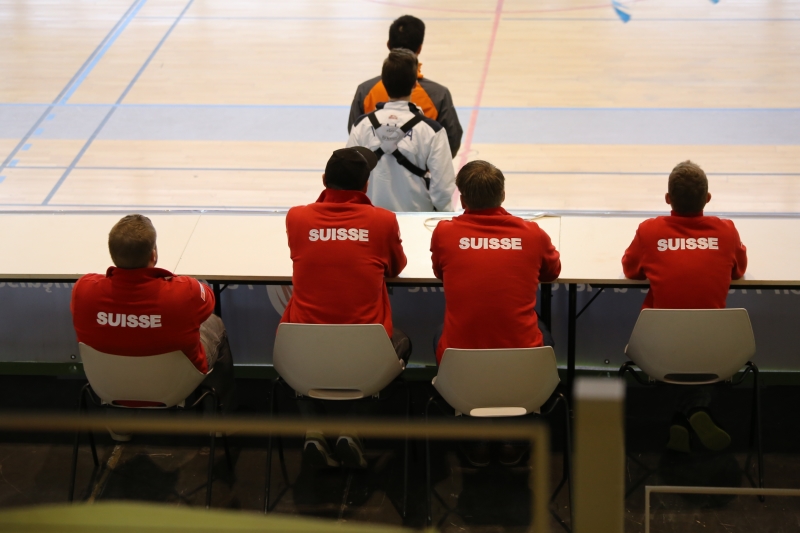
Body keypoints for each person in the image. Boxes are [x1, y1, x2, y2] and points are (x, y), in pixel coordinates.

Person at [282, 146, 411, 468]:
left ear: (324, 180)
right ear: (366, 185)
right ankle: (351, 430)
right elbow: (395, 268)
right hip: (365, 352)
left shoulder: (297, 217)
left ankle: (314, 431)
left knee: (304, 357)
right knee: (403, 343)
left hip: (303, 351)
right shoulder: (383, 221)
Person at [430, 160, 561, 466]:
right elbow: (552, 272)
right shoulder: (532, 233)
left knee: (440, 332)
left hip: (460, 366)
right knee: (542, 331)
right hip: (523, 366)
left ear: (462, 199)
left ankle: (473, 435)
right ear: (502, 195)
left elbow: (440, 271)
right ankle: (513, 438)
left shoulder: (444, 233)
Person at [622, 160, 748, 454]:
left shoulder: (650, 230)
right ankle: (693, 412)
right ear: (708, 198)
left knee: (676, 343)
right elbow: (739, 270)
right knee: (696, 345)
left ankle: (686, 416)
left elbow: (631, 270)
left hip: (659, 348)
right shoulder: (727, 231)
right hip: (715, 349)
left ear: (668, 199)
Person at [71, 215, 236, 438]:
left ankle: (120, 427)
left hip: (108, 386)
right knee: (214, 323)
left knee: (119, 340)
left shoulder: (83, 290)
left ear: (112, 254)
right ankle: (218, 425)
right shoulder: (184, 292)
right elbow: (208, 301)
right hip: (176, 385)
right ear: (154, 254)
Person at [348, 48, 456, 212]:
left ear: (383, 83)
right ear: (415, 84)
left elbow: (349, 177)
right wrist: (443, 217)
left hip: (371, 218)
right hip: (417, 219)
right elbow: (443, 188)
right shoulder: (432, 131)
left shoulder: (361, 126)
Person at [348, 14, 463, 158]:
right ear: (419, 48)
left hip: (374, 171)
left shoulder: (365, 91)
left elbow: (355, 134)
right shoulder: (438, 94)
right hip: (422, 171)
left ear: (388, 44)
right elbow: (451, 143)